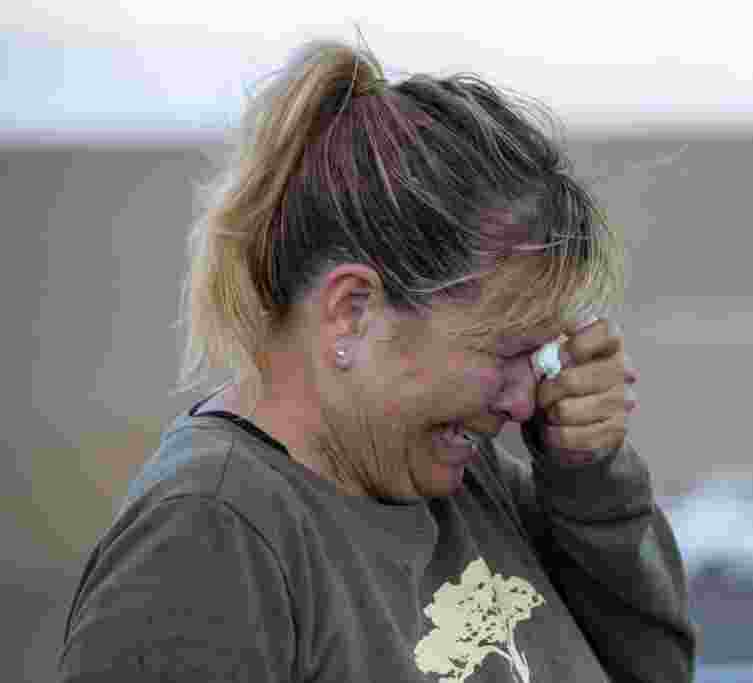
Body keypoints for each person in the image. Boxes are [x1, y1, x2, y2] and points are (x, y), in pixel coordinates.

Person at [57, 37, 696, 682]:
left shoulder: (471, 481)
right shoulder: (210, 537)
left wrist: (589, 479)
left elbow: (657, 667)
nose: (525, 402)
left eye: (542, 356)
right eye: (507, 349)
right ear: (353, 308)